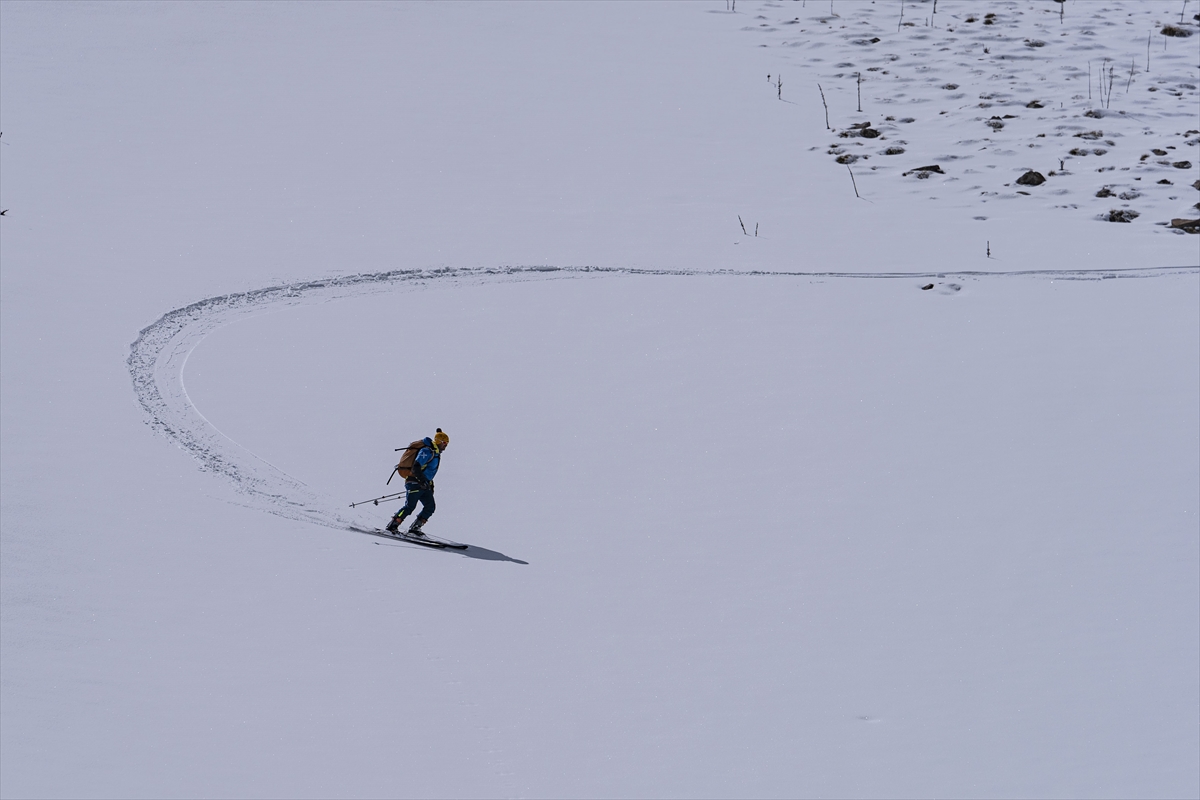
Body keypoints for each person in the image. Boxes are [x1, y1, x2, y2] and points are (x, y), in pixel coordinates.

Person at [386, 429, 449, 536]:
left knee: (430, 507)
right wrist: (422, 480)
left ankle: (415, 528)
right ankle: (393, 525)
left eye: (447, 444)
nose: (446, 446)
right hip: (414, 482)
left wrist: (429, 484)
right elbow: (416, 466)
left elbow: (428, 471)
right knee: (410, 506)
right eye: (444, 443)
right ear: (438, 441)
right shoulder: (427, 451)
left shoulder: (436, 453)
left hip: (424, 484)